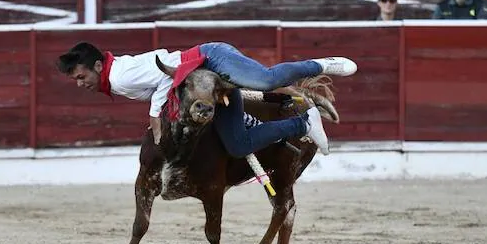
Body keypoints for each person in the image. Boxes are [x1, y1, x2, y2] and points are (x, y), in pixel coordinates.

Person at [56, 41, 358, 156]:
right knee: (238, 146)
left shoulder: (119, 75)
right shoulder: (116, 77)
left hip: (210, 61)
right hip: (204, 87)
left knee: (267, 80)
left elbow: (165, 69)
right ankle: (304, 123)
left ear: (98, 66)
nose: (81, 84)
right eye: (75, 80)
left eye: (82, 76)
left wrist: (154, 117)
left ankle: (321, 63)